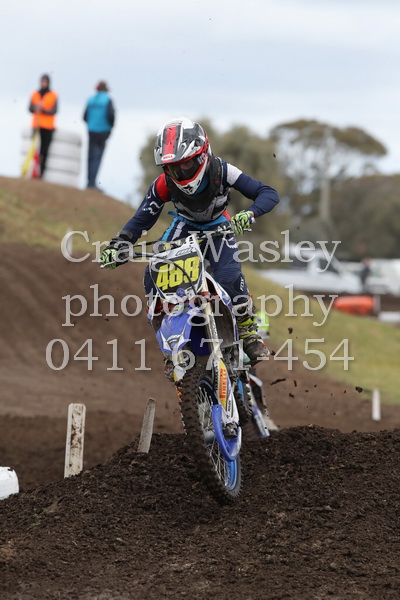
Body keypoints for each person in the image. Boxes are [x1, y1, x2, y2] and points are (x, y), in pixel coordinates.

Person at [100, 117, 279, 373]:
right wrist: (118, 245)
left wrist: (250, 213)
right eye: (173, 168)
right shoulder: (163, 183)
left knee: (228, 276)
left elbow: (268, 193)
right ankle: (170, 345)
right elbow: (143, 217)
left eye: (186, 164)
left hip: (219, 227)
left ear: (202, 154)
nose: (181, 173)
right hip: (184, 227)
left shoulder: (223, 171)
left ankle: (248, 332)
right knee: (154, 275)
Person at [83, 81, 115, 190]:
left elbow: (84, 117)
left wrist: (92, 124)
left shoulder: (90, 100)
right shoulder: (107, 100)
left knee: (90, 157)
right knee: (97, 157)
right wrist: (110, 128)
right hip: (103, 132)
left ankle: (89, 182)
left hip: (91, 131)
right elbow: (111, 116)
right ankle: (93, 183)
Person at [28, 74, 58, 177]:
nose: (43, 83)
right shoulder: (35, 94)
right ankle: (32, 171)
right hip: (36, 125)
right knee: (34, 149)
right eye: (42, 81)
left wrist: (43, 109)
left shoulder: (53, 95)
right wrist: (36, 107)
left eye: (45, 82)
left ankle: (42, 173)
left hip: (48, 127)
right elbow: (30, 108)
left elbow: (55, 110)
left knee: (44, 150)